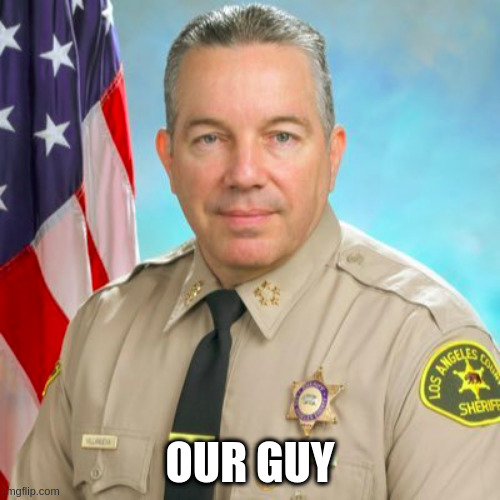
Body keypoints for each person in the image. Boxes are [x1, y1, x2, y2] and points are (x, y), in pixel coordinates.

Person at [11, 4, 500, 499]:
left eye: (281, 137)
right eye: (210, 138)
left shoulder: (421, 345)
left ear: (333, 156)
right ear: (170, 159)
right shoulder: (103, 330)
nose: (244, 174)